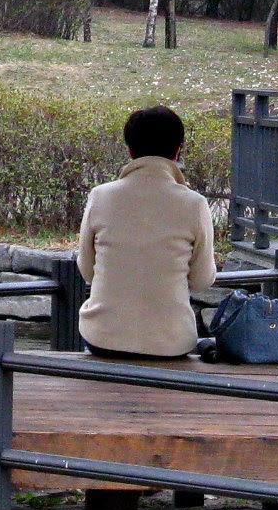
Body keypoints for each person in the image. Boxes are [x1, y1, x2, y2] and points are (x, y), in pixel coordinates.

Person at [75, 105, 217, 360]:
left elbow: (87, 270)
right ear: (178, 150)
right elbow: (202, 280)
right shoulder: (194, 204)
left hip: (103, 339)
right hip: (171, 344)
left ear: (130, 151)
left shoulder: (101, 197)